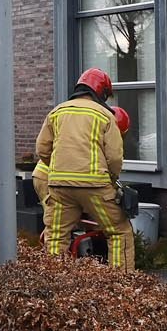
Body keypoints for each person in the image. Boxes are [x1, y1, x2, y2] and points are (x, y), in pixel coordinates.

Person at [35, 67, 135, 271]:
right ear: (101, 92)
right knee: (118, 232)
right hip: (95, 187)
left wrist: (57, 169)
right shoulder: (105, 116)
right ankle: (122, 284)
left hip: (59, 188)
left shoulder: (57, 111)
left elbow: (42, 149)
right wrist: (111, 179)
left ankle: (55, 284)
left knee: (56, 236)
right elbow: (114, 157)